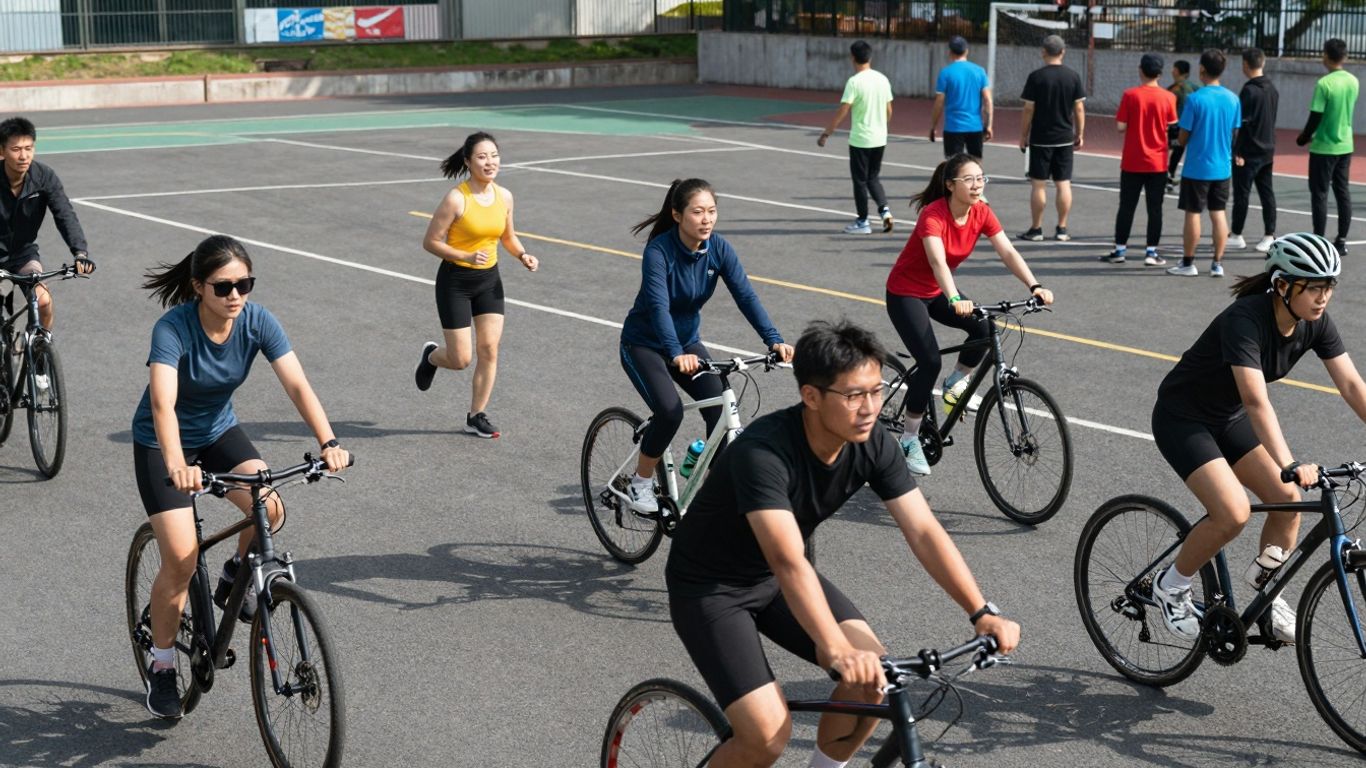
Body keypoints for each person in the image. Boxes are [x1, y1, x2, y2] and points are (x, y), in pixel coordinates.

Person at [664, 319, 1021, 768]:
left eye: (876, 391)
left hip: (774, 581)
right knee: (767, 736)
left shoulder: (872, 443)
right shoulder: (763, 455)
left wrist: (981, 611)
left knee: (873, 680)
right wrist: (832, 646)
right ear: (811, 396)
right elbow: (789, 560)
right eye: (854, 395)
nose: (870, 407)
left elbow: (924, 530)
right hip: (711, 591)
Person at [132, 234, 351, 720]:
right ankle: (163, 663)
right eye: (223, 286)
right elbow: (163, 404)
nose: (235, 295)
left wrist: (329, 442)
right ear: (198, 288)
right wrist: (175, 464)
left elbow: (296, 382)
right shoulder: (173, 328)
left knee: (268, 507)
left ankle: (234, 575)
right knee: (182, 559)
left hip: (217, 432)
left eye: (244, 284)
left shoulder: (256, 321)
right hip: (161, 445)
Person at [1149, 233, 1365, 646]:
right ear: (1283, 285)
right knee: (1232, 513)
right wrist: (1289, 463)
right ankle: (1171, 585)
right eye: (1314, 287)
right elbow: (1255, 400)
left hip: (1226, 419)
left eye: (1328, 287)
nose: (1323, 297)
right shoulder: (1244, 319)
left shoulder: (1314, 324)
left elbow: (1353, 386)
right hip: (1183, 418)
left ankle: (1269, 595)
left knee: (1287, 503)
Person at [618, 178, 794, 516]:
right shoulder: (659, 252)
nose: (706, 219)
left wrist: (774, 339)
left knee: (722, 415)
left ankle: (713, 501)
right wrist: (674, 352)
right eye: (697, 212)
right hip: (644, 344)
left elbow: (746, 296)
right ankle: (639, 482)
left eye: (712, 211)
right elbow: (658, 307)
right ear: (677, 215)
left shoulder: (720, 249)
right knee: (669, 411)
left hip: (687, 345)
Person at [885, 154, 1054, 475]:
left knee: (984, 326)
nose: (978, 185)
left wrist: (1035, 285)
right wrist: (953, 297)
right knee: (930, 360)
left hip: (936, 292)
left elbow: (1007, 250)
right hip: (906, 293)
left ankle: (956, 383)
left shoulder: (981, 213)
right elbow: (937, 263)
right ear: (950, 185)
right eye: (970, 180)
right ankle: (909, 438)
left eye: (981, 178)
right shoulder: (932, 216)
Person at [414, 131, 539, 439]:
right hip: (455, 281)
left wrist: (523, 254)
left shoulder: (505, 196)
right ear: (469, 162)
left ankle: (476, 415)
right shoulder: (457, 198)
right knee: (460, 360)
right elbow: (430, 242)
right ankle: (431, 356)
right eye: (482, 157)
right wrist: (465, 256)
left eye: (494, 156)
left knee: (489, 348)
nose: (490, 162)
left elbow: (508, 237)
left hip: (489, 281)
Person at [0, 116, 94, 330]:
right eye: (16, 149)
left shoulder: (44, 178)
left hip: (23, 255)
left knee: (44, 302)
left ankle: (42, 349)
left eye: (28, 148)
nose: (23, 156)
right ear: (2, 151)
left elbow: (64, 214)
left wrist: (80, 253)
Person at [1167, 49, 1241, 278]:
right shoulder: (1232, 98)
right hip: (1222, 166)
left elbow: (1183, 136)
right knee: (1218, 213)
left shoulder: (1195, 99)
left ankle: (1188, 262)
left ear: (1201, 69)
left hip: (1197, 166)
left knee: (1193, 213)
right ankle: (1217, 263)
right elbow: (1234, 131)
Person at [1101, 53, 1178, 266]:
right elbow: (1172, 126)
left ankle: (1120, 250)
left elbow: (1120, 126)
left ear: (1140, 70)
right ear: (1160, 73)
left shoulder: (1130, 95)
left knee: (1126, 206)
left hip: (1133, 161)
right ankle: (1151, 252)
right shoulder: (1169, 97)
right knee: (1155, 208)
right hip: (1158, 162)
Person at [818, 40, 895, 235]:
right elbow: (889, 109)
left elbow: (844, 110)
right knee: (873, 177)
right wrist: (881, 126)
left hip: (861, 139)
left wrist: (827, 132)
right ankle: (884, 210)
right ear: (870, 57)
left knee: (860, 181)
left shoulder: (854, 82)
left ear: (852, 57)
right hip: (880, 138)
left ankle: (863, 221)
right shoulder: (882, 79)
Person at [1017, 35, 1086, 242]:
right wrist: (1080, 133)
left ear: (1043, 52)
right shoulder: (1073, 76)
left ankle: (1036, 229)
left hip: (1041, 138)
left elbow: (1028, 108)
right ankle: (1062, 228)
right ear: (1063, 52)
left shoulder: (1036, 77)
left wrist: (1023, 134)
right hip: (1064, 137)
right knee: (1063, 183)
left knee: (1038, 185)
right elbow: (1079, 108)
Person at [1297, 38, 1358, 257]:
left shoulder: (1324, 84)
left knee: (1320, 194)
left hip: (1324, 146)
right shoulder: (1353, 81)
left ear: (1325, 56)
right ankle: (1341, 241)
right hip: (1345, 144)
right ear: (1345, 56)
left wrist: (1304, 137)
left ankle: (1319, 242)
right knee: (1342, 192)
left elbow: (1316, 115)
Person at [1230, 48, 1280, 254]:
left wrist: (1237, 150)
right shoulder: (1272, 89)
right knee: (1267, 193)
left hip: (1250, 151)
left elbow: (1243, 124)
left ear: (1245, 65)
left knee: (1242, 193)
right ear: (1263, 63)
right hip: (1268, 148)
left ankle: (1236, 234)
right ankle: (1269, 235)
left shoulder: (1249, 91)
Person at [929, 35, 992, 159]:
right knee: (976, 165)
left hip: (953, 127)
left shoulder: (945, 73)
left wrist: (933, 126)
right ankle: (978, 179)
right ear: (967, 51)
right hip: (975, 127)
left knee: (954, 168)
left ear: (950, 52)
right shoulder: (980, 71)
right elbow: (988, 101)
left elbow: (939, 103)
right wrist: (988, 125)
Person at [1167, 60, 1200, 191]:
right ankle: (1172, 175)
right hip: (1192, 126)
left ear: (1177, 71)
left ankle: (1168, 175)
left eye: (1173, 68)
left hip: (1176, 126)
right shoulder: (1195, 87)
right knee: (1179, 150)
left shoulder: (1173, 89)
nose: (1171, 71)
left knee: (1168, 147)